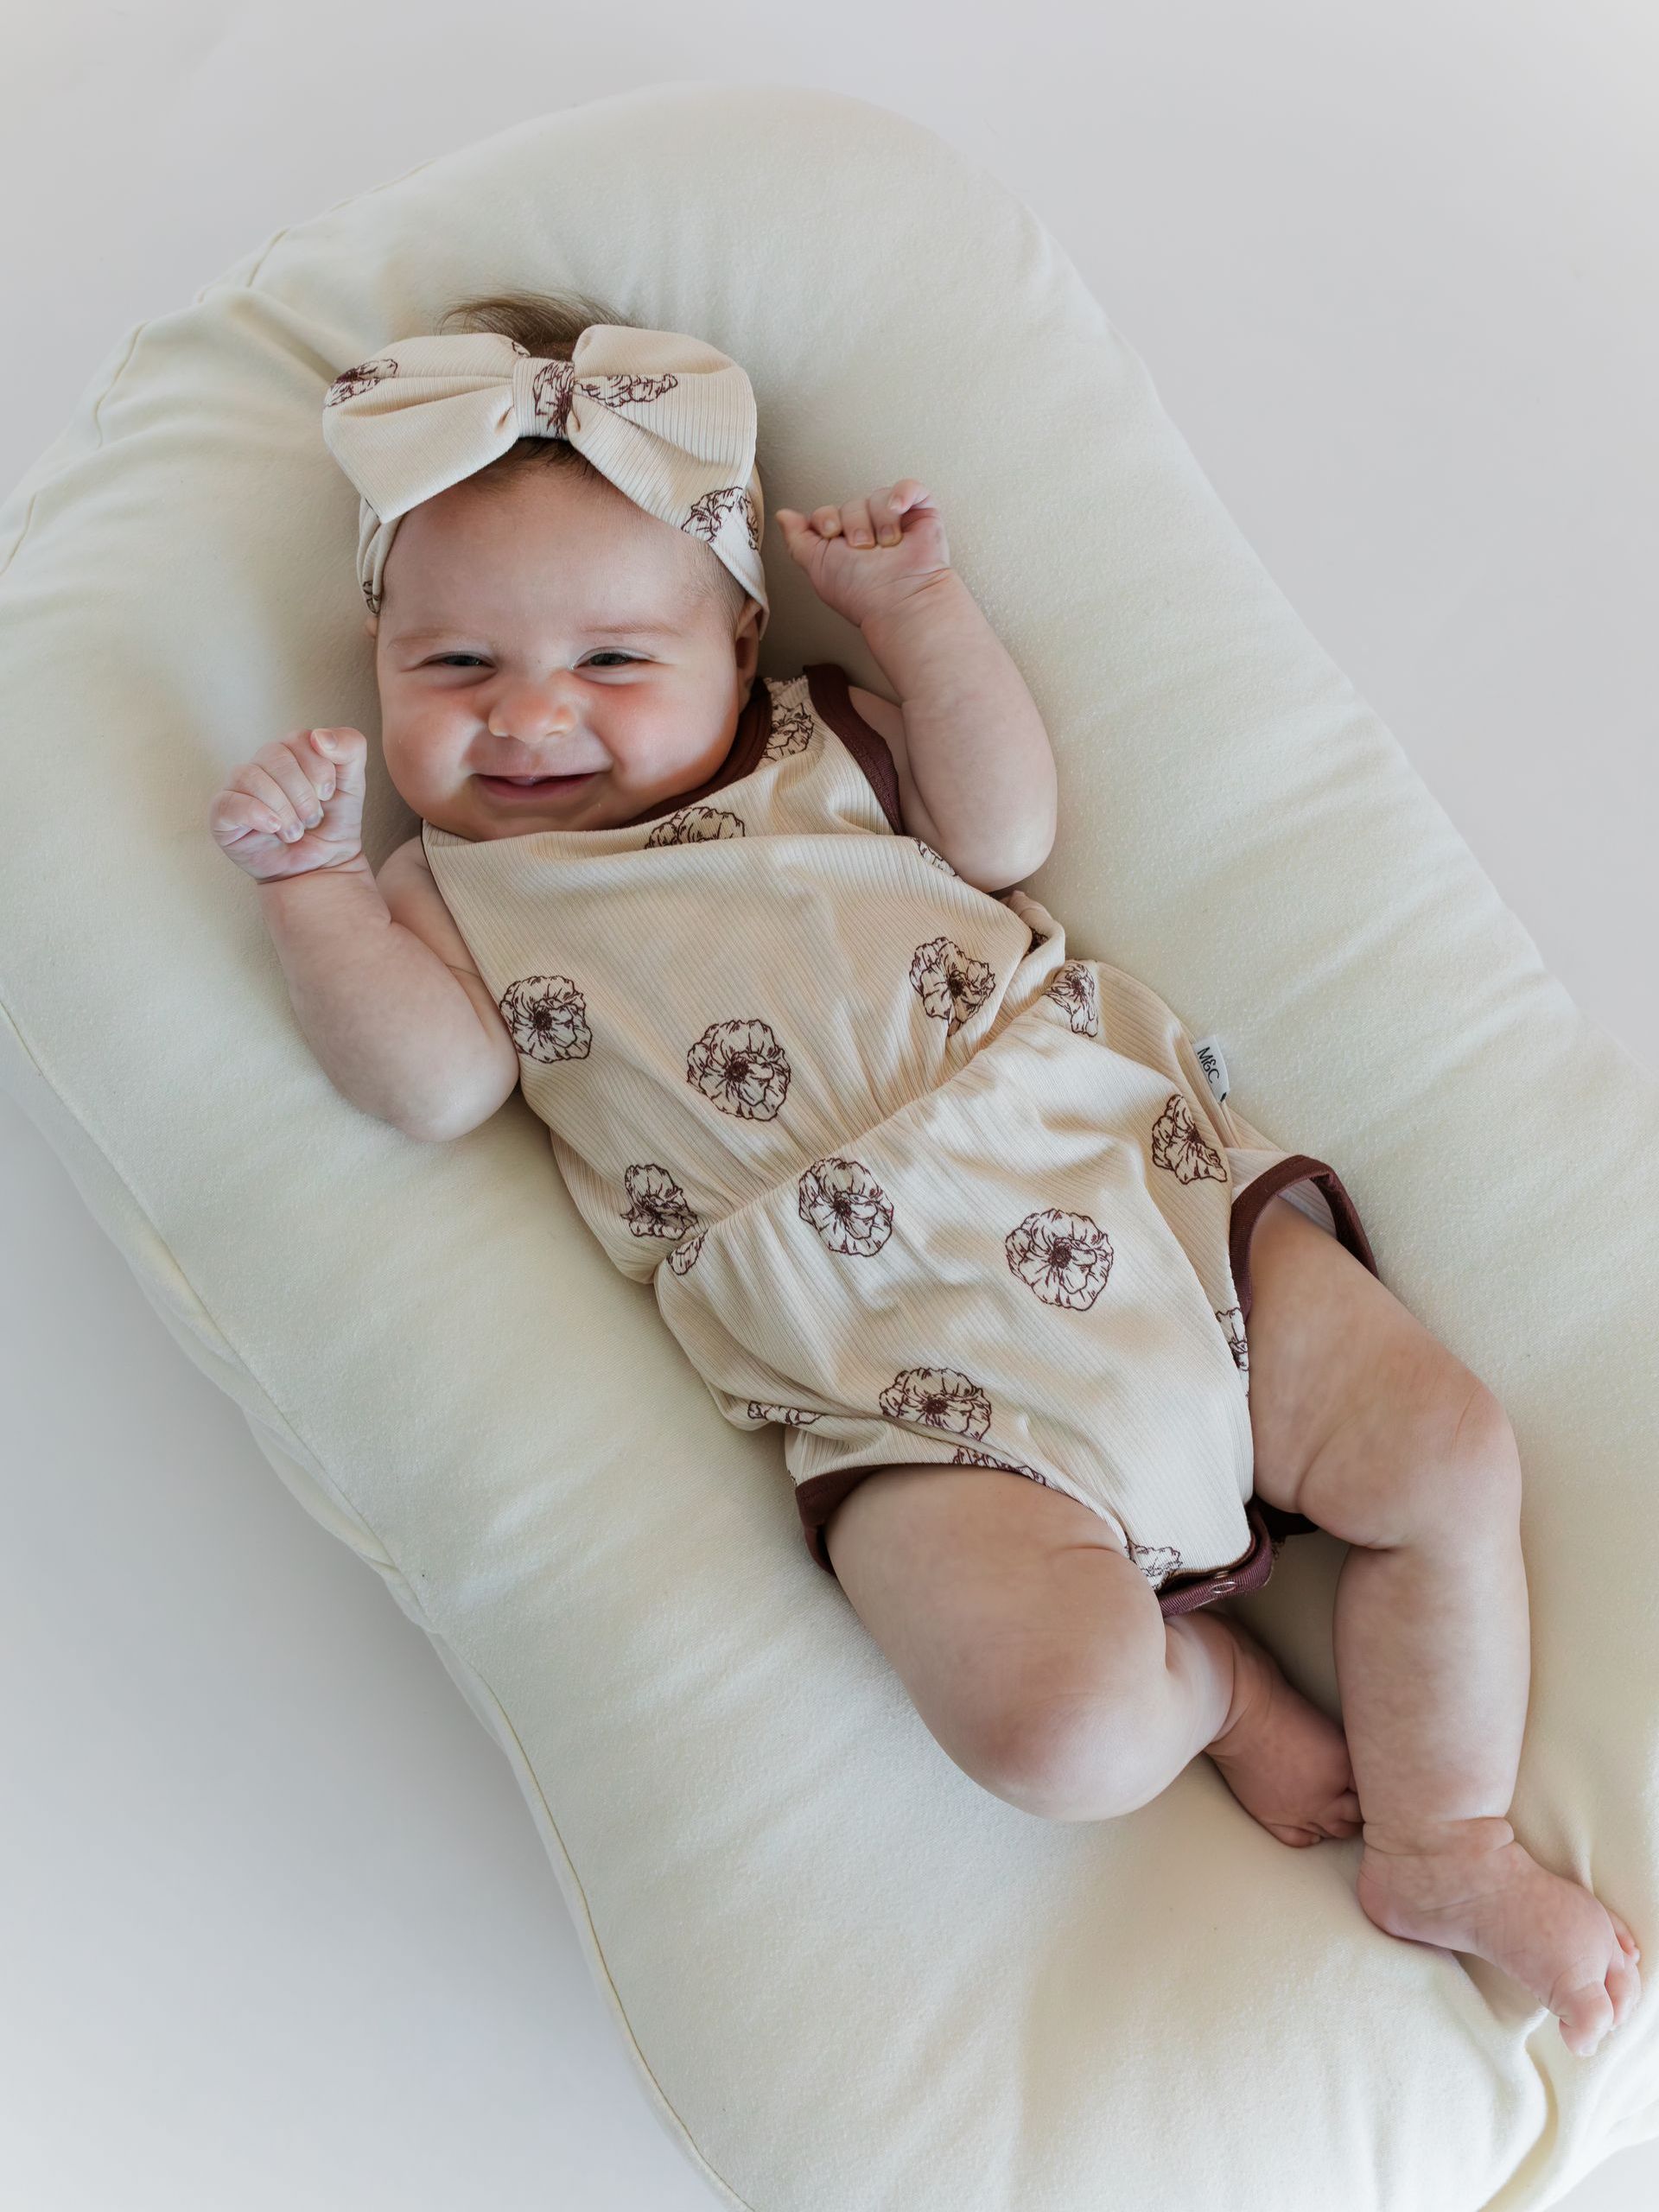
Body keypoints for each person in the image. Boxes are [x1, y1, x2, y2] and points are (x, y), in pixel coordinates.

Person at [207, 288, 1640, 2058]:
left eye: (611, 660)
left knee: (1443, 1453)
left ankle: (1447, 1840)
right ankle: (1200, 1685)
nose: (528, 717)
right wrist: (311, 893)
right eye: (452, 669)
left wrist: (920, 614)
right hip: (889, 1363)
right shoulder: (447, 898)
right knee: (1057, 1732)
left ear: (738, 647)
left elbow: (1007, 830)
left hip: (1119, 1180)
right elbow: (428, 1090)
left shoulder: (827, 746)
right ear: (379, 659)